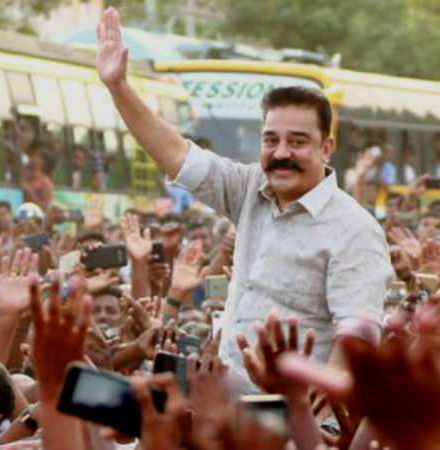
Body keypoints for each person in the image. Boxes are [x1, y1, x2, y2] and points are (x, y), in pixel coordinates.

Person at [96, 7, 393, 390]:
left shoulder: (355, 229)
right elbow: (175, 153)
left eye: (298, 142)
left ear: (326, 148)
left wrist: (319, 408)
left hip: (294, 414)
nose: (281, 153)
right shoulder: (250, 188)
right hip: (225, 406)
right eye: (271, 140)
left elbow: (357, 337)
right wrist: (118, 86)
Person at [20, 140, 54, 210]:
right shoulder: (23, 176)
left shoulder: (46, 183)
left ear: (42, 161)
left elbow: (45, 209)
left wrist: (29, 193)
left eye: (35, 154)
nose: (31, 156)